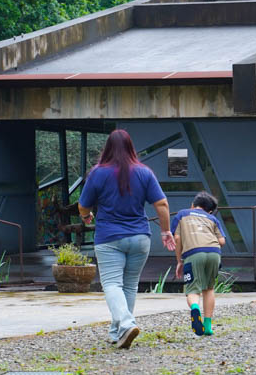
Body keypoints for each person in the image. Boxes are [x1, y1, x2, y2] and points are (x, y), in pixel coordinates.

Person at [78, 129, 175, 349]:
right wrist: (165, 231)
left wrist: (86, 217)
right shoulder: (144, 172)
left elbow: (83, 204)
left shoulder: (98, 173)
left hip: (109, 237)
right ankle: (118, 333)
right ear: (131, 147)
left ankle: (127, 322)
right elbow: (162, 204)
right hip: (140, 237)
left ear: (108, 148)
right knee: (129, 286)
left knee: (112, 284)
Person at [171, 191, 226, 336]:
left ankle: (195, 308)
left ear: (193, 204)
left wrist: (179, 261)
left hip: (193, 253)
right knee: (209, 289)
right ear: (209, 210)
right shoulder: (212, 218)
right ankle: (208, 326)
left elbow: (177, 238)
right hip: (214, 252)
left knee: (193, 290)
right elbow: (222, 241)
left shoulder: (182, 214)